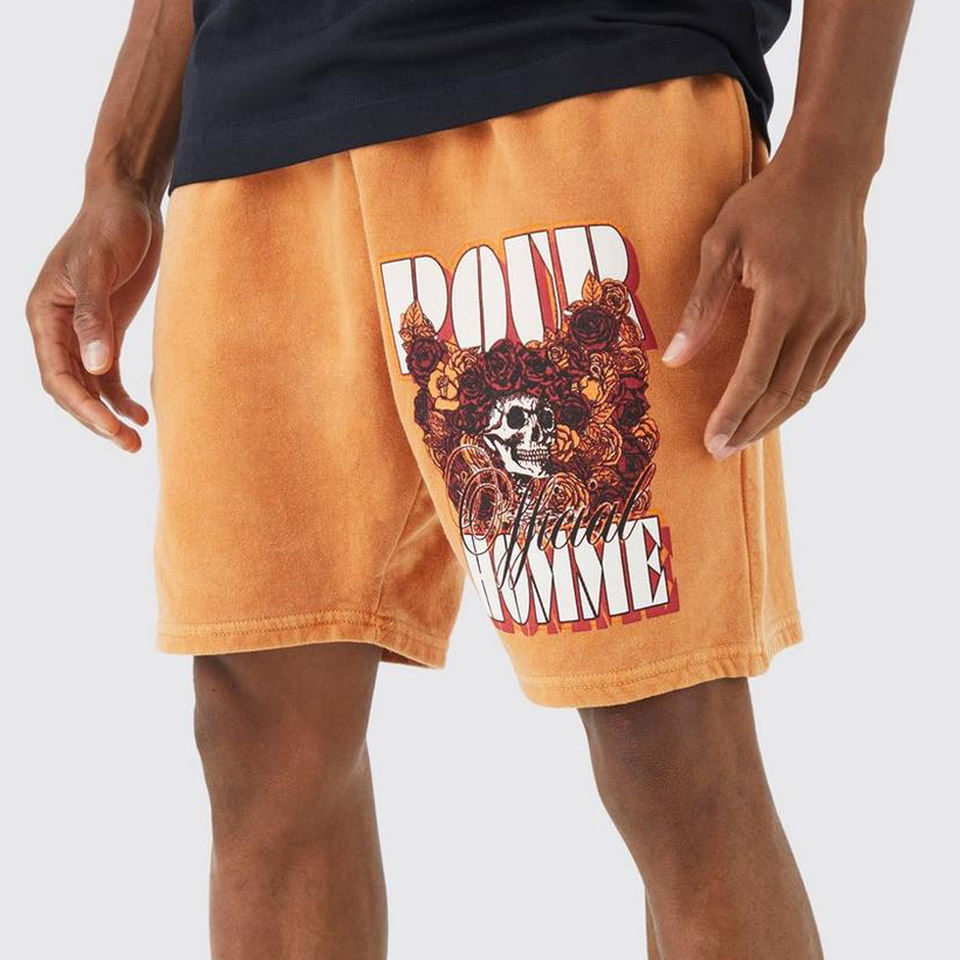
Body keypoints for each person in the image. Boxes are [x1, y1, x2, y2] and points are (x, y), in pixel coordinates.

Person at [25, 1, 914, 957]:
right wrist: (118, 174)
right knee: (257, 737)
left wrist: (833, 159)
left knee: (666, 741)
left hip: (583, 77)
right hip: (254, 141)